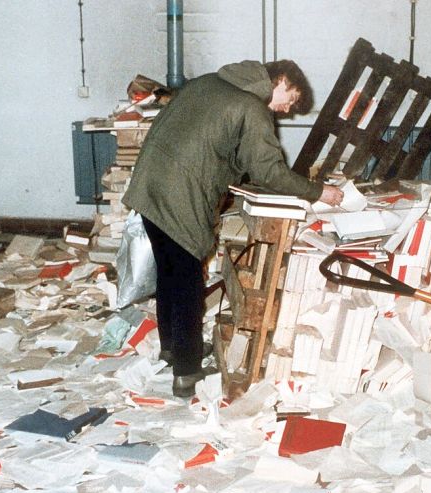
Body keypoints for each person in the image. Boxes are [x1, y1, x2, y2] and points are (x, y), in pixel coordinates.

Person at [123, 59, 344, 397]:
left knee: (169, 269)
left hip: (150, 181)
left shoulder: (211, 82)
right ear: (279, 80)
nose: (286, 109)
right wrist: (321, 192)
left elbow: (219, 142)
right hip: (180, 190)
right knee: (187, 279)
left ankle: (174, 349)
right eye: (290, 98)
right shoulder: (250, 107)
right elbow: (269, 171)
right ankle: (187, 372)